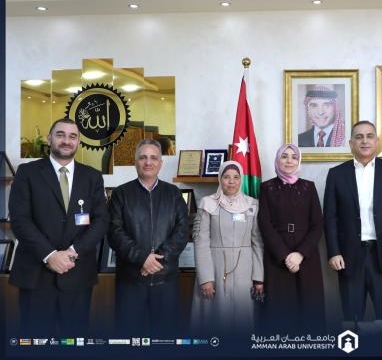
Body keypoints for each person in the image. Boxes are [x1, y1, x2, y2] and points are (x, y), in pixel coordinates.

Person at [9, 118, 109, 335]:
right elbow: (20, 219)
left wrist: (73, 252)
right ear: (49, 139)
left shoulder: (92, 176)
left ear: (78, 141)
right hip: (36, 274)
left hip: (77, 273)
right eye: (60, 134)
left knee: (74, 342)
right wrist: (50, 255)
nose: (66, 141)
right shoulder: (27, 173)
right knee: (36, 342)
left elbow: (101, 221)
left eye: (72, 136)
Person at [324, 120, 382, 322]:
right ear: (351, 143)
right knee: (352, 318)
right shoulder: (336, 174)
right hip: (348, 257)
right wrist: (334, 252)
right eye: (359, 137)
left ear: (377, 141)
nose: (365, 141)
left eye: (370, 136)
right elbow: (330, 217)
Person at [108, 138, 189, 335]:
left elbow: (182, 231)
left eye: (153, 158)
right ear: (135, 161)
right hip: (131, 282)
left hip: (165, 281)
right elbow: (114, 232)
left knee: (165, 339)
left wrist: (157, 261)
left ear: (160, 163)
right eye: (143, 157)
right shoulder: (120, 194)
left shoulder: (173, 193)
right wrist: (142, 258)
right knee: (128, 339)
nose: (148, 162)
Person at [258, 143, 326, 333]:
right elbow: (264, 224)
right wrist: (285, 256)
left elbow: (317, 224)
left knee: (309, 312)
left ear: (299, 161)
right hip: (277, 258)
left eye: (294, 157)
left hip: (306, 257)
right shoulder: (266, 188)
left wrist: (300, 254)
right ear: (277, 160)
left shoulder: (309, 187)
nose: (289, 161)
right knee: (280, 313)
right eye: (284, 156)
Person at [191, 161, 264, 334]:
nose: (231, 181)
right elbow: (201, 242)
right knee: (215, 323)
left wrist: (258, 278)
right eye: (226, 177)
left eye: (236, 177)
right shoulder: (207, 203)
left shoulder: (253, 204)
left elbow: (257, 243)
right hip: (215, 270)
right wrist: (206, 278)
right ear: (220, 179)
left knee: (243, 321)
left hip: (245, 273)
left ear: (241, 180)